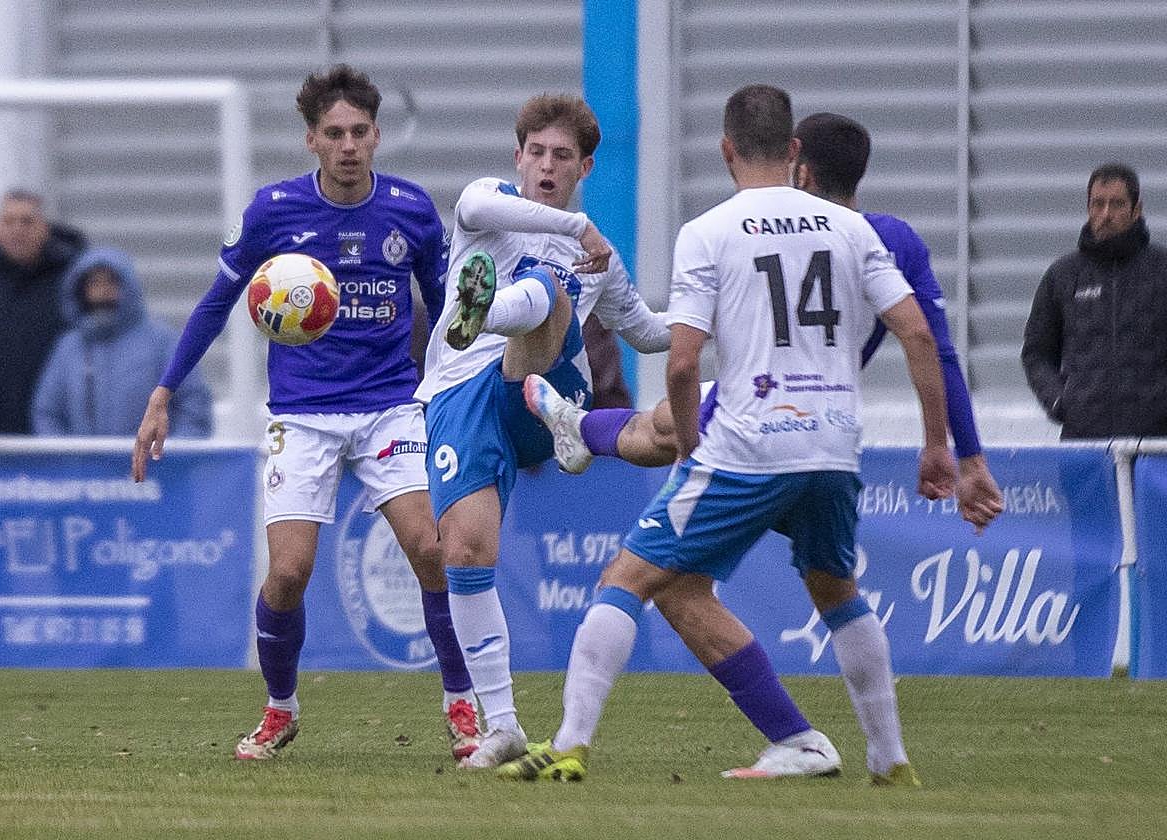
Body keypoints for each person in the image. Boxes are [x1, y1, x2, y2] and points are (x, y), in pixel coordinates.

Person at [498, 84, 956, 785]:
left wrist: (691, 448)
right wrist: (936, 445)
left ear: (725, 149)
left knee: (625, 579)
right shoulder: (850, 228)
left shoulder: (709, 232)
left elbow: (683, 362)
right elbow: (919, 335)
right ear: (794, 149)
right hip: (833, 445)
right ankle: (885, 758)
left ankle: (569, 744)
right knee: (832, 591)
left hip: (748, 445)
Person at [131, 65, 481, 762]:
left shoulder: (411, 209)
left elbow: (449, 310)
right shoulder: (274, 210)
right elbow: (215, 302)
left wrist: (462, 384)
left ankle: (462, 703)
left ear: (376, 135)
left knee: (432, 550)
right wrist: (163, 392)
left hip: (390, 408)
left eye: (359, 132)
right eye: (334, 133)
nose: (348, 145)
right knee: (289, 573)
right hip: (303, 414)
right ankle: (280, 709)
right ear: (311, 140)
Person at [529, 112, 1003, 533]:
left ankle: (581, 427)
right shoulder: (892, 238)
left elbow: (686, 358)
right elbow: (932, 346)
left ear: (802, 170)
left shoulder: (750, 227)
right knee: (830, 586)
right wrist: (966, 456)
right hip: (830, 428)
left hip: (754, 419)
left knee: (657, 452)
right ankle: (580, 428)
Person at [414, 93, 671, 769]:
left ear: (585, 166)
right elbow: (479, 208)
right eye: (537, 152)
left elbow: (647, 333)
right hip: (464, 393)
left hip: (551, 385)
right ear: (517, 156)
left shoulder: (596, 258)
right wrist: (578, 226)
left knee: (550, 287)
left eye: (562, 156)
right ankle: (501, 725)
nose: (547, 166)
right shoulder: (487, 200)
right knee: (465, 552)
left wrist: (720, 318)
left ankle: (487, 312)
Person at [1022, 162, 1167, 439]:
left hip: (1156, 445)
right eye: (1098, 204)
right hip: (1083, 442)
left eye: (1117, 204)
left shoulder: (1161, 270)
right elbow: (1036, 352)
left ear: (1137, 209)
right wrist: (1058, 401)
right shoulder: (1063, 275)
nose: (1106, 214)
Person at [32, 247, 212, 436]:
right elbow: (47, 412)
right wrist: (66, 452)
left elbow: (193, 404)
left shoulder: (162, 343)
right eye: (94, 283)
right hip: (82, 456)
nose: (102, 291)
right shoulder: (68, 348)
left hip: (152, 455)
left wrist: (172, 451)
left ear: (128, 286)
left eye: (111, 281)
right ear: (81, 290)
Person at [0, 190, 87, 434]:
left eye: (27, 221)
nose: (17, 229)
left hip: (50, 436)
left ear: (45, 228)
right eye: (8, 221)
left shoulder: (72, 287)